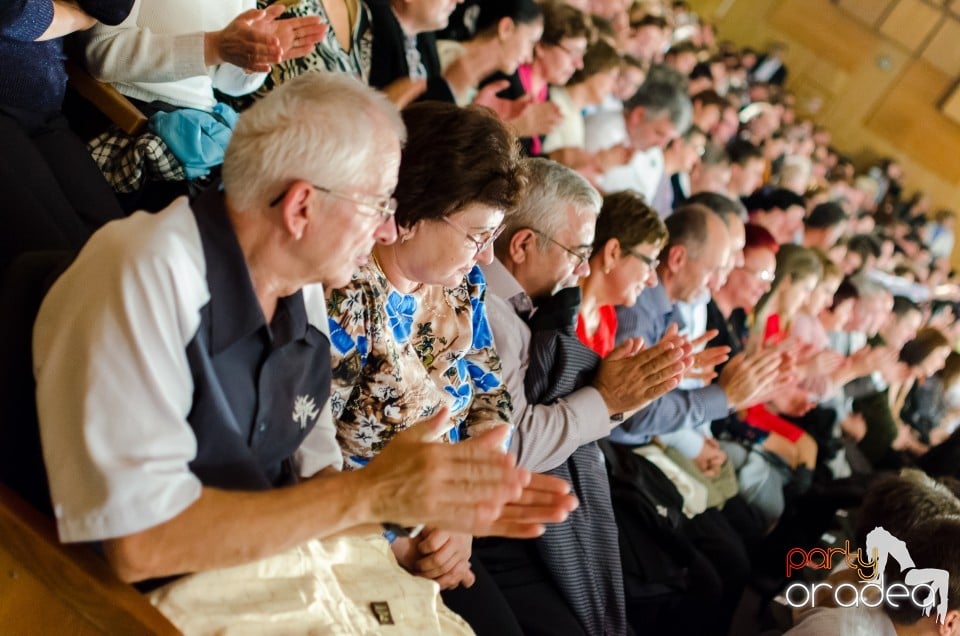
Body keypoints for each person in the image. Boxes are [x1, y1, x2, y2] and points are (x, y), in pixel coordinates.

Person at [32, 73, 574, 628]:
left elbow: (313, 486)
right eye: (378, 204)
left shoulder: (301, 297)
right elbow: (138, 544)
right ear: (300, 208)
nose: (389, 230)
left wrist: (408, 512)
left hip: (262, 577)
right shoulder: (148, 272)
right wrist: (371, 494)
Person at [480, 157, 689, 635]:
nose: (582, 267)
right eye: (577, 251)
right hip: (492, 518)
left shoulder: (532, 309)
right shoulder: (489, 314)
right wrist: (606, 399)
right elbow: (507, 446)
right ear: (523, 244)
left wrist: (617, 400)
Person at [0, 0, 133, 270]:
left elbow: (114, 9)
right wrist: (76, 19)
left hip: (45, 113)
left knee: (117, 249)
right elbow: (11, 13)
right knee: (58, 261)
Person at [578, 190, 666, 357]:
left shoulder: (607, 316)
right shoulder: (559, 313)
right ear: (612, 253)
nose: (653, 281)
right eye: (649, 263)